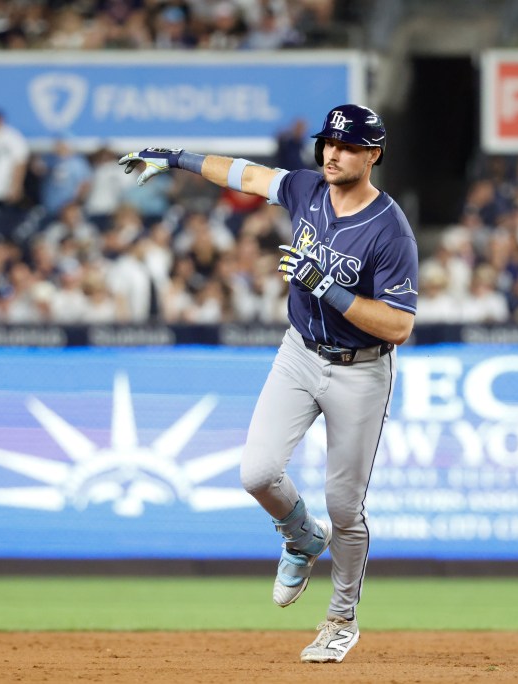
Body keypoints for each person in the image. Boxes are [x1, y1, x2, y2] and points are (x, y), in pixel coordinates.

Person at [119, 104, 418, 664]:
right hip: (300, 352)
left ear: (373, 154)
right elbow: (246, 174)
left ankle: (341, 618)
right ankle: (303, 537)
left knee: (345, 507)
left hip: (361, 369)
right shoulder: (307, 188)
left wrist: (327, 287)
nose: (333, 153)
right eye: (329, 142)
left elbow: (400, 325)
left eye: (349, 146)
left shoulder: (389, 228)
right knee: (256, 472)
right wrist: (177, 159)